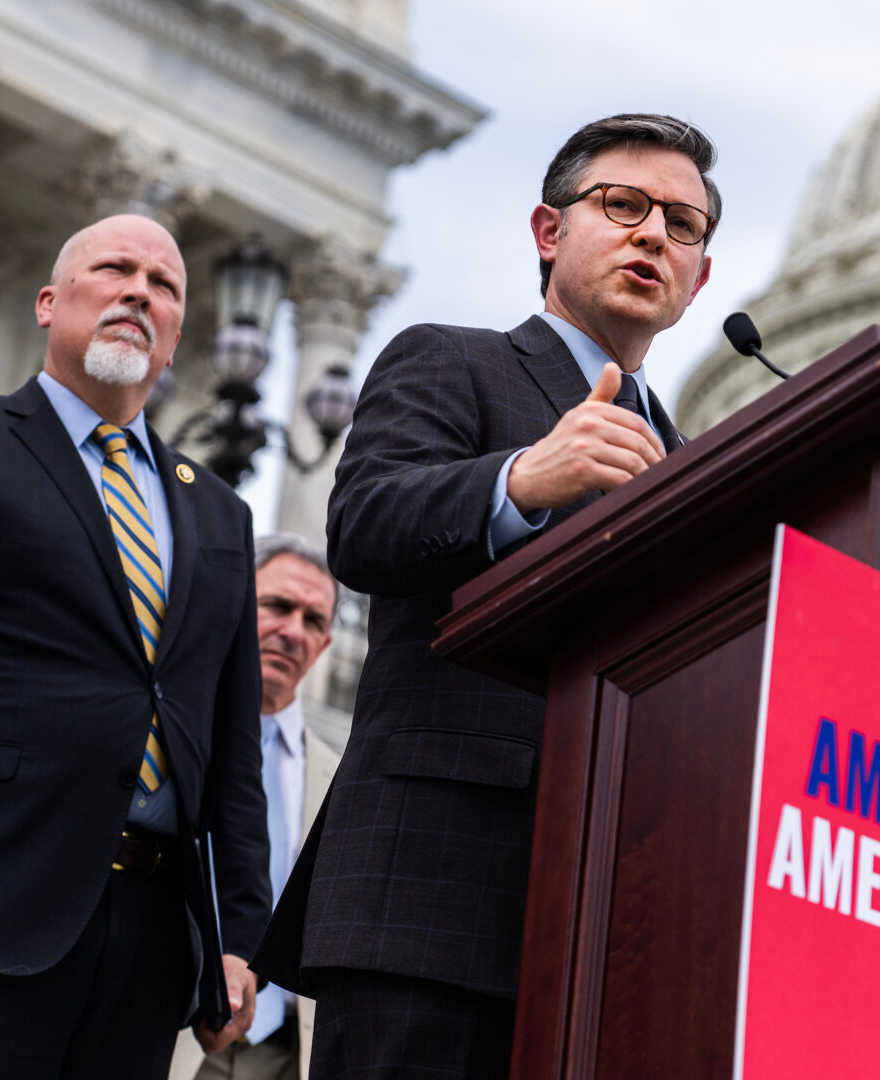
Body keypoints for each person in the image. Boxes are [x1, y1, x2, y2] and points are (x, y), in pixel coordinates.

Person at [252, 113, 719, 1077]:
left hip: (616, 932)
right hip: (431, 901)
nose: (652, 237)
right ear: (549, 232)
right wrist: (519, 483)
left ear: (701, 279)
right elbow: (366, 526)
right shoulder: (452, 361)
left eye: (682, 225)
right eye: (623, 206)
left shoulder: (699, 468)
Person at [0, 214, 270, 1079]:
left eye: (163, 286)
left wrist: (238, 939)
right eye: (114, 269)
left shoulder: (220, 514)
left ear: (176, 339)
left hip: (149, 947)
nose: (138, 292)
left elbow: (231, 752)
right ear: (49, 303)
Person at [171, 534, 343, 1080]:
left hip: (288, 1051)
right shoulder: (168, 743)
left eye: (314, 620)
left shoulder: (343, 778)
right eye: (277, 606)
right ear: (240, 607)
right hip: (174, 1027)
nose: (293, 631)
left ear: (325, 645)